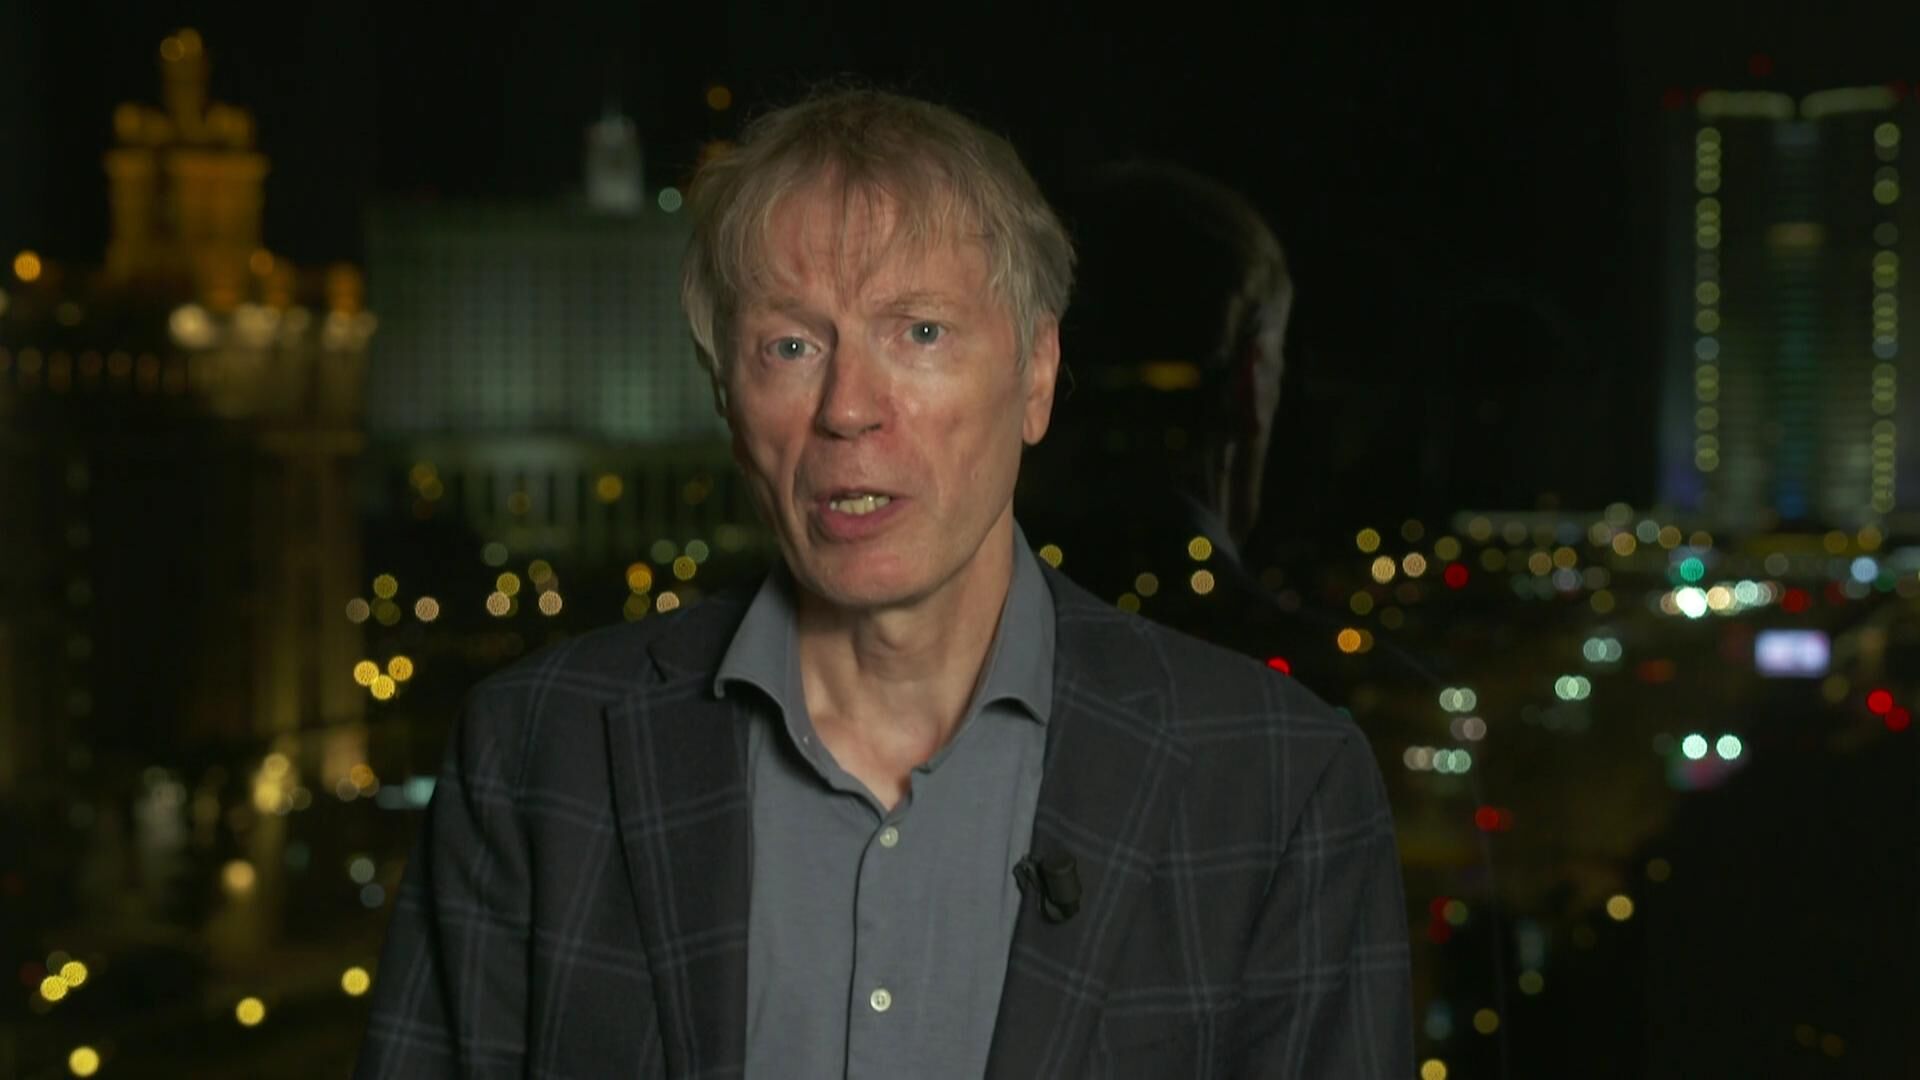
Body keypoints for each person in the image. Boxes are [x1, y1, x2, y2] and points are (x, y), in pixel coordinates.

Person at [355, 87, 1412, 1078]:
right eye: (789, 345)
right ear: (726, 397)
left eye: (921, 332)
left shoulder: (1281, 786)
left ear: (1037, 375)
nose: (849, 408)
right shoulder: (534, 758)